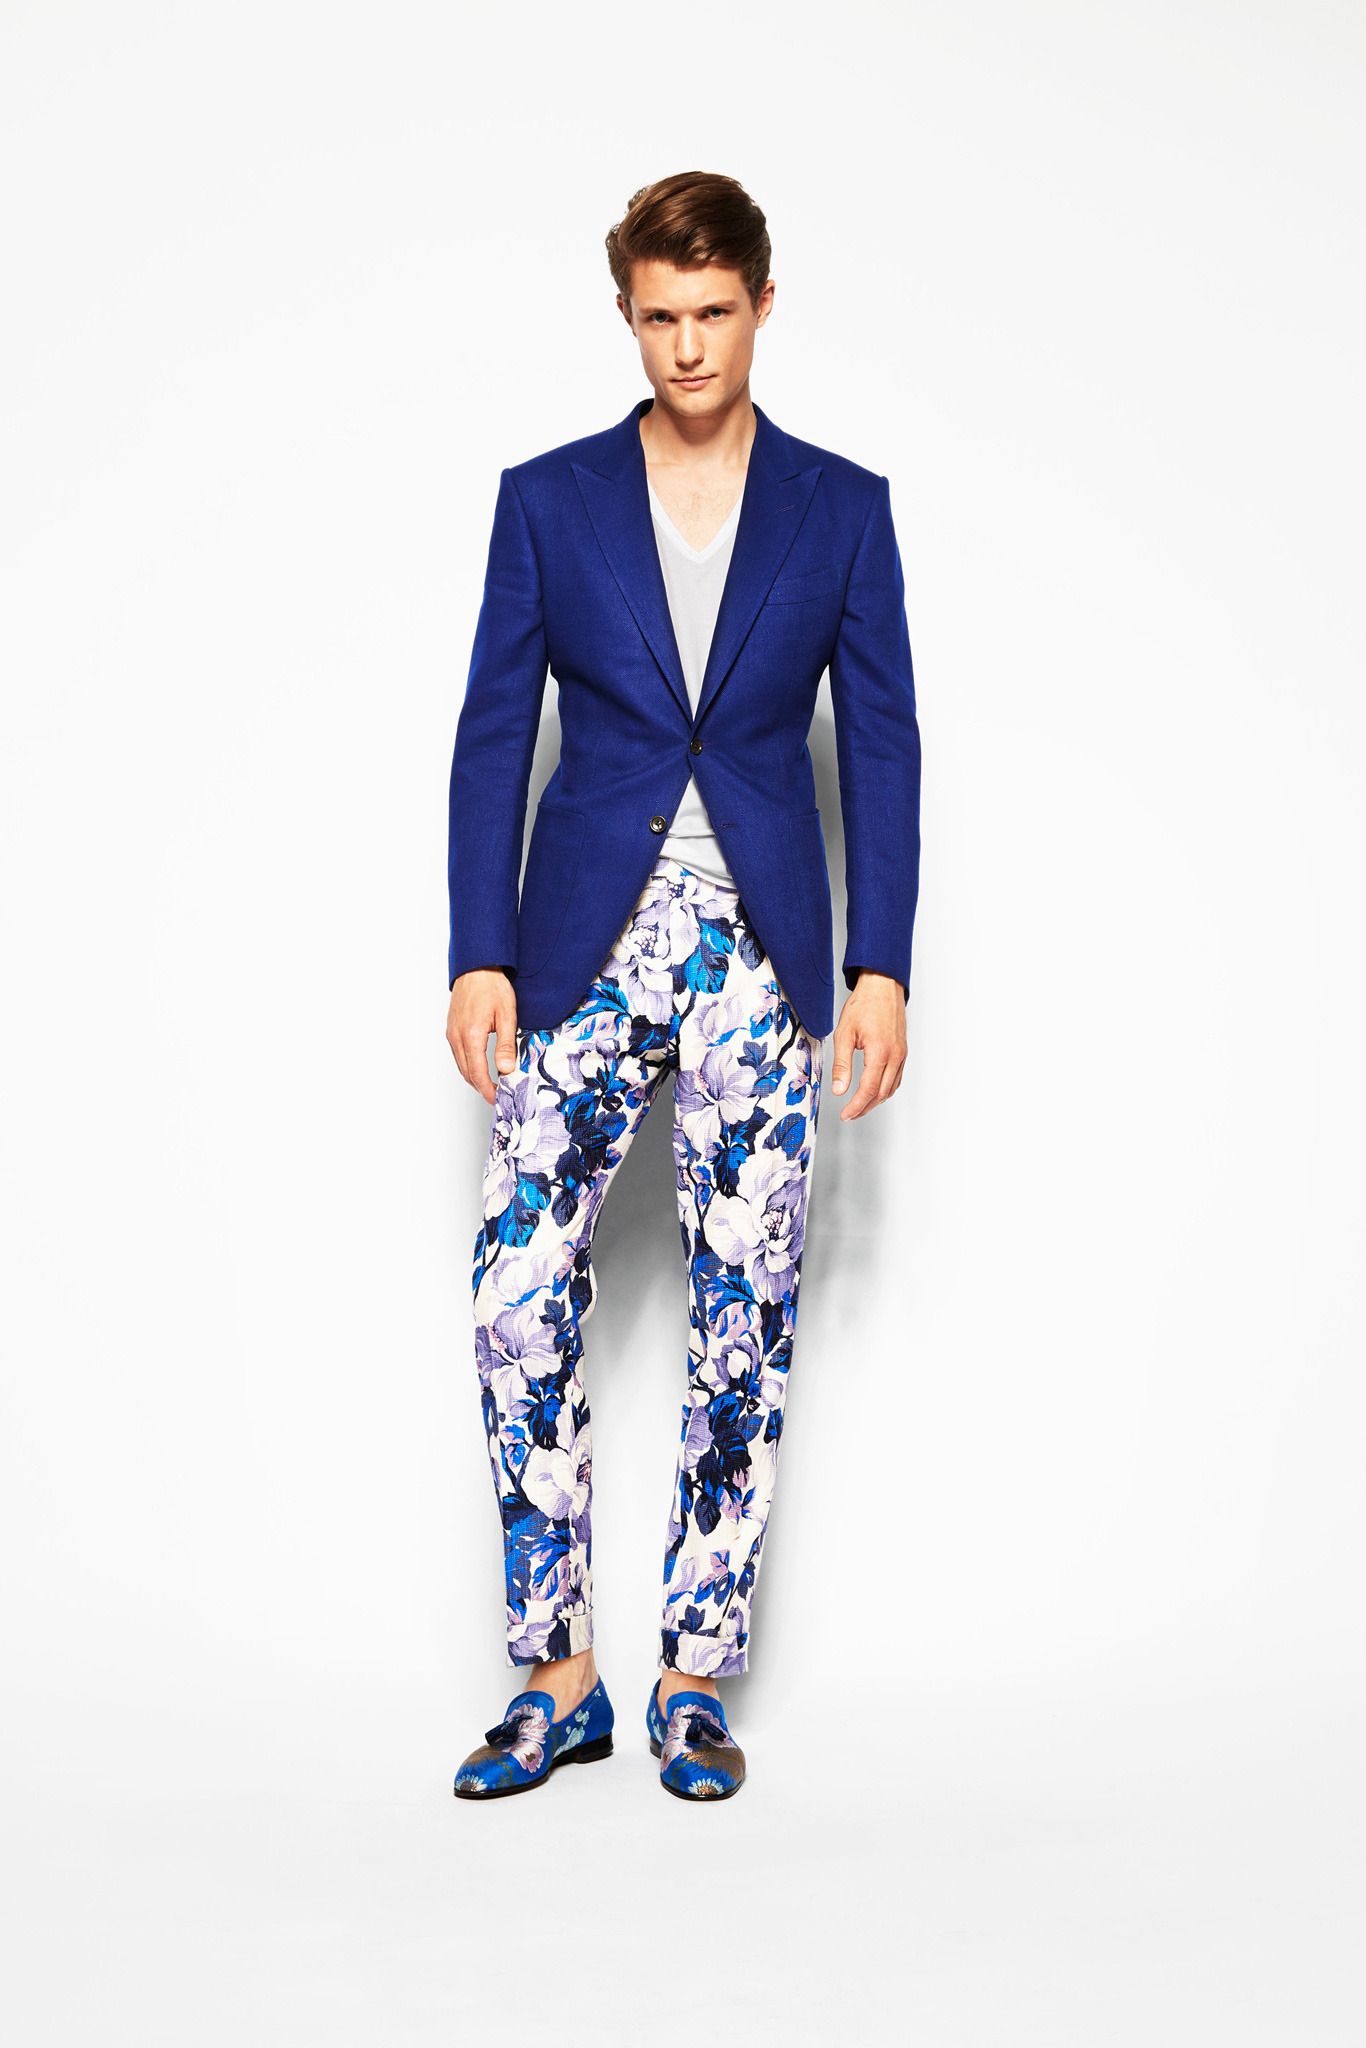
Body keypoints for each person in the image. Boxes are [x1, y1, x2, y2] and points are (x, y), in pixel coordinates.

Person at [445, 170, 921, 1803]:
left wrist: (877, 967)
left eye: (714, 314)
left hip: (762, 957)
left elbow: (880, 744)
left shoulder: (841, 508)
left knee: (744, 1312)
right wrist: (480, 947)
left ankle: (693, 1683)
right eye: (659, 317)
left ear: (761, 307)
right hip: (578, 947)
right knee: (516, 1296)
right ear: (627, 315)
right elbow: (493, 732)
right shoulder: (548, 499)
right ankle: (557, 1677)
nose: (688, 347)